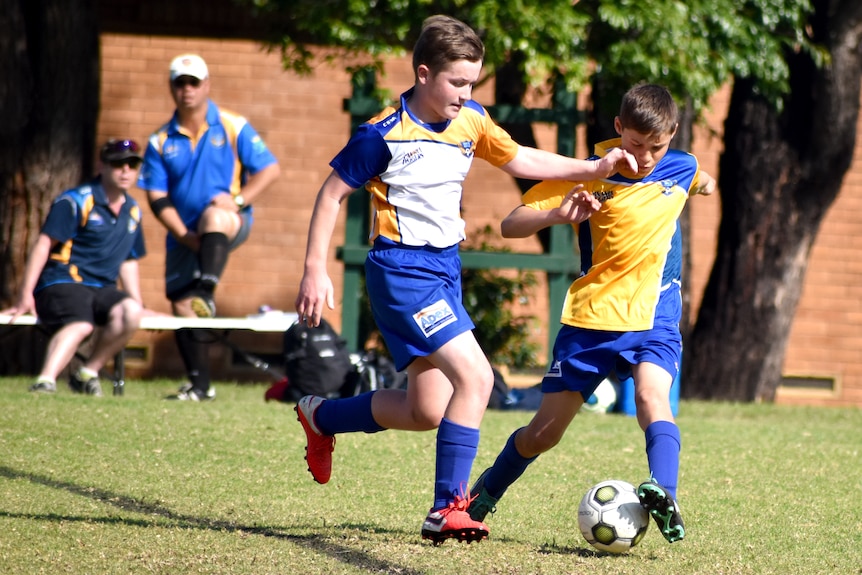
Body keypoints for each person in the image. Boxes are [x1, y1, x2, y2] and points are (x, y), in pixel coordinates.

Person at [293, 15, 637, 545]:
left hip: (443, 270)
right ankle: (446, 509)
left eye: (472, 82)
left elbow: (519, 158)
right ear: (425, 74)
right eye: (457, 82)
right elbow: (330, 193)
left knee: (425, 408)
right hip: (402, 272)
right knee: (475, 379)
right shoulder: (383, 133)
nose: (465, 93)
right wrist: (315, 269)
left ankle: (321, 417)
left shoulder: (471, 121)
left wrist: (591, 169)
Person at [466, 83, 717, 544]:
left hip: (654, 317)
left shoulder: (680, 166)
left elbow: (700, 179)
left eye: (655, 147)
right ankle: (487, 491)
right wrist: (559, 216)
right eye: (635, 145)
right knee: (542, 434)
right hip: (592, 322)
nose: (643, 157)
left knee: (651, 400)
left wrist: (705, 184)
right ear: (619, 128)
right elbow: (510, 223)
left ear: (673, 135)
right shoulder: (587, 173)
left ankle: (667, 496)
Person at [138, 53, 280, 401]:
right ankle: (200, 386)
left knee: (214, 215)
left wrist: (240, 200)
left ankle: (207, 286)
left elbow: (269, 170)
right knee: (182, 306)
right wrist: (185, 237)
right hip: (183, 234)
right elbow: (156, 197)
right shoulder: (159, 140)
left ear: (207, 85)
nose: (187, 89)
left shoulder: (232, 125)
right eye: (180, 82)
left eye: (194, 82)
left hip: (228, 221)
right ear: (172, 87)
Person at [2, 139, 148, 396]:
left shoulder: (133, 211)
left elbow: (128, 259)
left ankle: (87, 373)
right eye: (118, 164)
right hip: (63, 281)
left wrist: (138, 301)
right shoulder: (76, 201)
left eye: (132, 164)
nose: (125, 170)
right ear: (102, 166)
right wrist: (25, 294)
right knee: (82, 324)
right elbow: (44, 244)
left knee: (130, 312)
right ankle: (45, 381)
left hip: (102, 287)